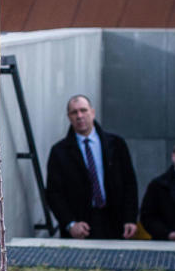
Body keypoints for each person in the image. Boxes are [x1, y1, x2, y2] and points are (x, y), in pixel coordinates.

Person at [46, 94, 138, 241]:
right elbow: (54, 193)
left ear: (92, 112)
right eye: (74, 112)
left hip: (115, 221)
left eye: (83, 110)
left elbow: (129, 183)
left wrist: (130, 218)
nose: (79, 116)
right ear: (69, 117)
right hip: (81, 227)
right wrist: (70, 224)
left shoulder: (116, 144)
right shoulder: (59, 151)